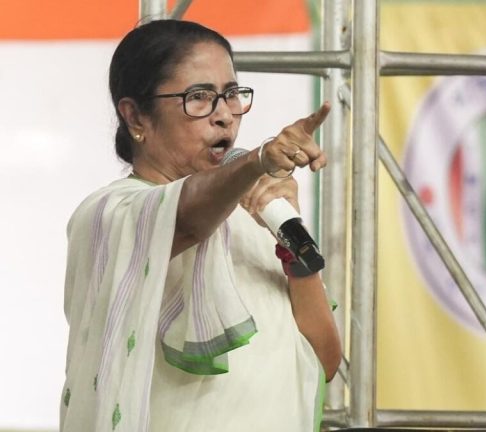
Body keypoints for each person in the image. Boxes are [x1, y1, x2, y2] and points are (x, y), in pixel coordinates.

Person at [60, 19, 341, 432]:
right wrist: (257, 161)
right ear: (136, 117)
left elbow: (325, 361)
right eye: (200, 97)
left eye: (231, 94)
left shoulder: (255, 219)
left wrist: (293, 247)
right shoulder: (110, 214)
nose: (225, 116)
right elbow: (185, 220)